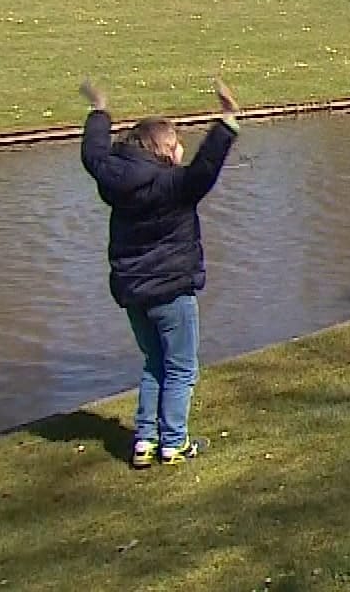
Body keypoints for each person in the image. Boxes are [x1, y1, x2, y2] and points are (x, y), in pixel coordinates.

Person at [79, 77, 240, 469]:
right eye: (177, 143)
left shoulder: (115, 180)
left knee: (154, 362)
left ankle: (145, 441)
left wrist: (99, 110)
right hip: (172, 291)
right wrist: (227, 121)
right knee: (182, 367)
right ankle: (174, 442)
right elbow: (205, 169)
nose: (182, 148)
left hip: (134, 291)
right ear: (165, 150)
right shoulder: (173, 185)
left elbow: (93, 155)